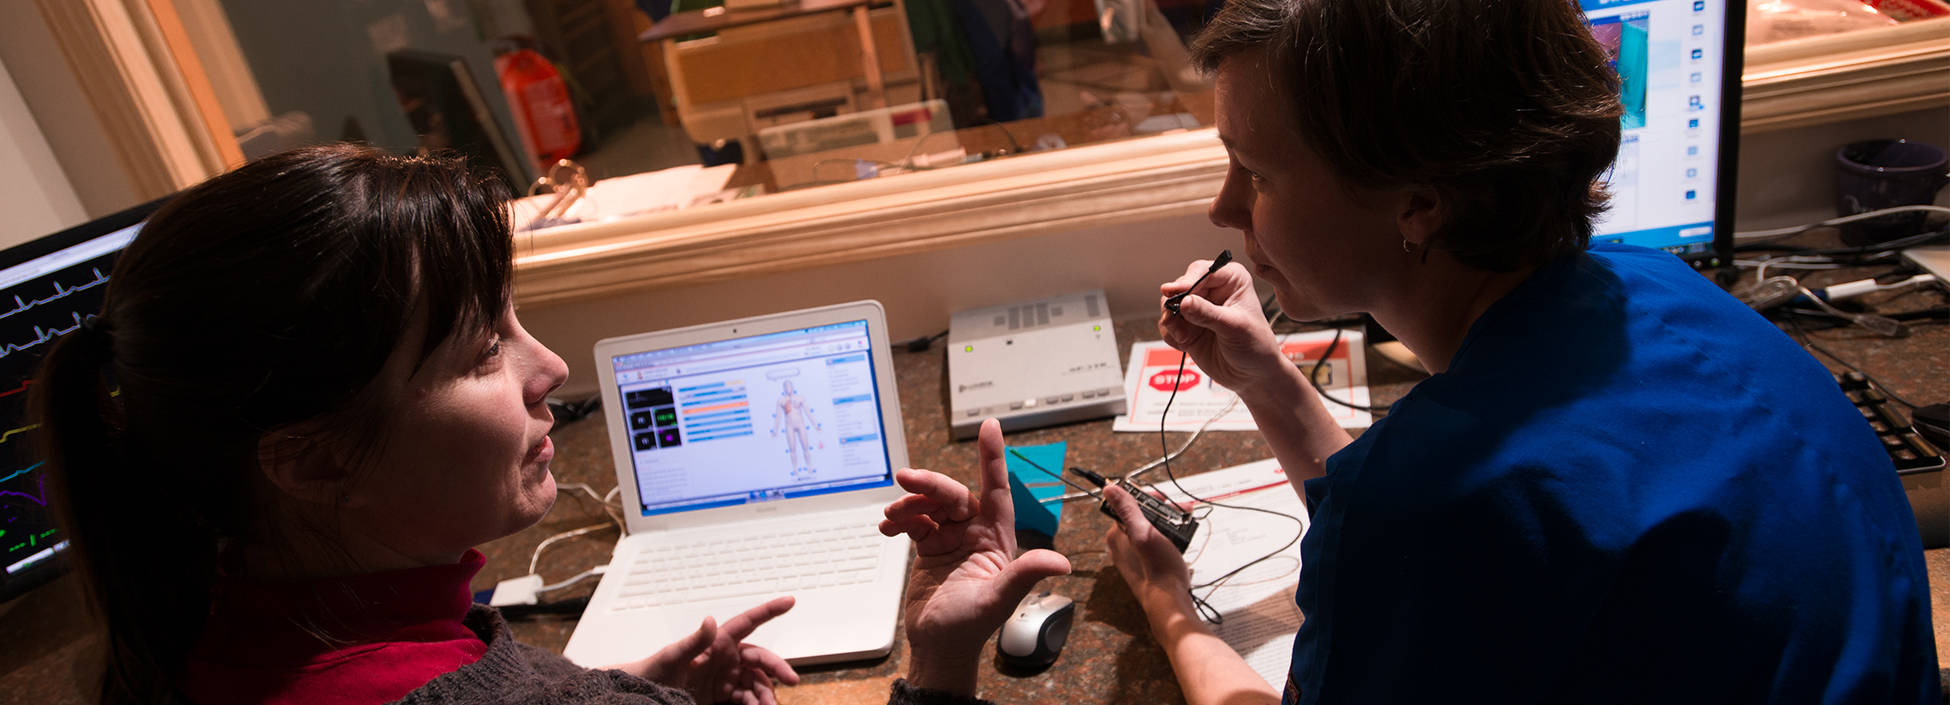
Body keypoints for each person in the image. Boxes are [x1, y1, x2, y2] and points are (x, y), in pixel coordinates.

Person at [882, 0, 1939, 703]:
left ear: (1419, 205)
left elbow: (1445, 511)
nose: (1223, 206)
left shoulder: (1433, 504)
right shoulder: (1662, 295)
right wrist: (1265, 377)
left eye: (1256, 170)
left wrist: (1169, 613)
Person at [29, 144, 976, 705]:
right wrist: (941, 663)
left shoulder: (171, 638)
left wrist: (620, 687)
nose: (550, 369)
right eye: (484, 349)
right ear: (309, 457)